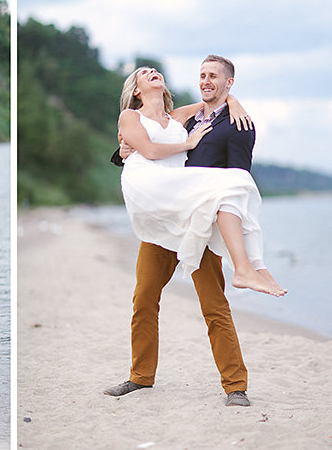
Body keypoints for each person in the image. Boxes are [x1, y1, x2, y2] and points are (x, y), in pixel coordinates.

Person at [104, 55, 285, 406]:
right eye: (202, 75)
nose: (206, 81)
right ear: (137, 91)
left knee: (214, 304)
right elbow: (142, 147)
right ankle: (140, 377)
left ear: (227, 82)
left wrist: (234, 99)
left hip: (196, 217)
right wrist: (126, 148)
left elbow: (235, 169)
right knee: (143, 298)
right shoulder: (173, 122)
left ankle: (236, 387)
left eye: (214, 76)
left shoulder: (205, 120)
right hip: (160, 217)